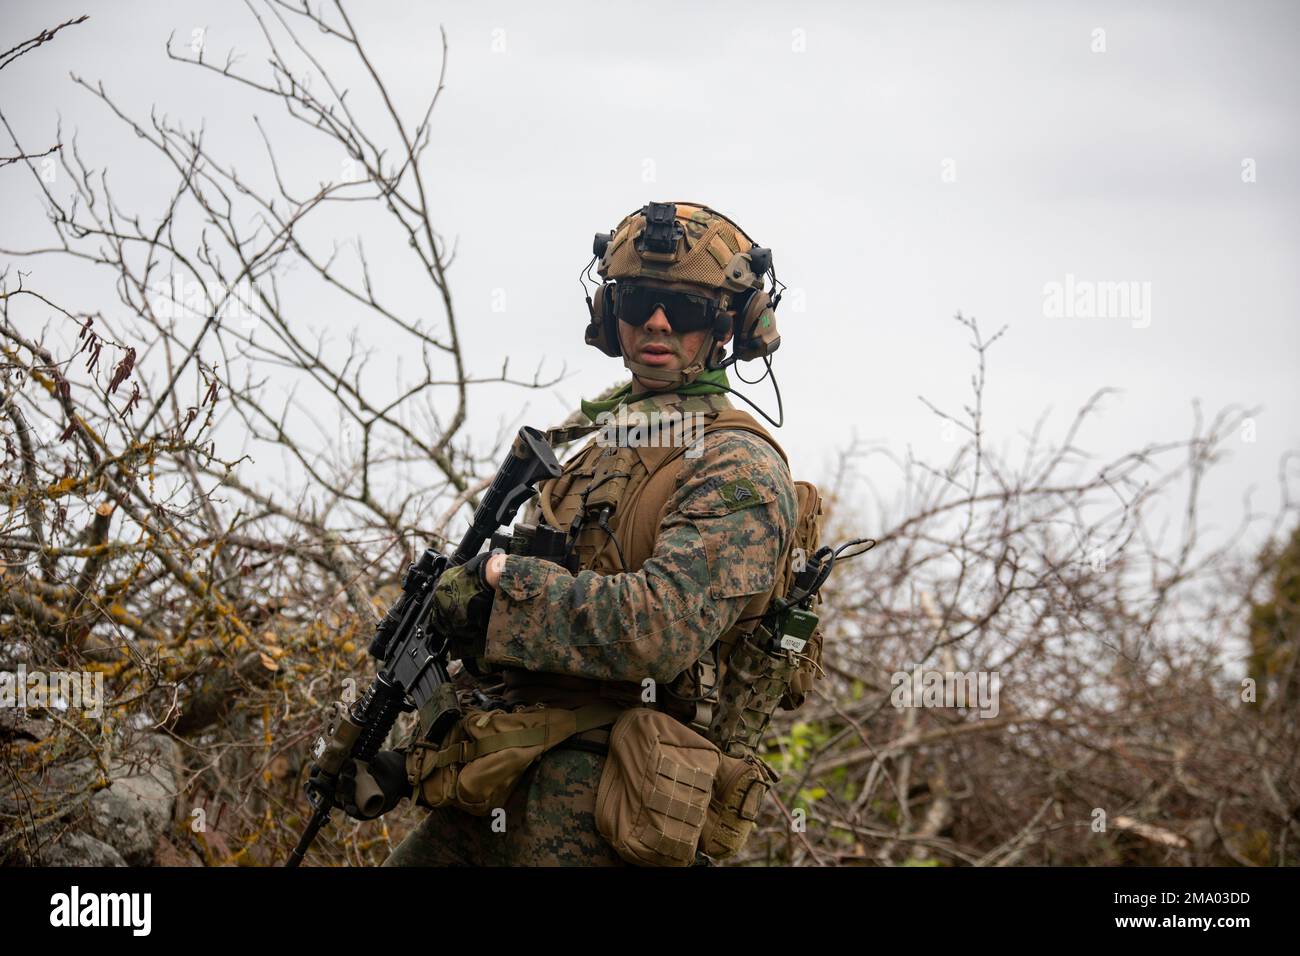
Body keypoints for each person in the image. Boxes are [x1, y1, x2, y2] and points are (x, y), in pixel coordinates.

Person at [350, 201, 801, 866]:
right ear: (608, 314)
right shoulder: (588, 449)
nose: (656, 322)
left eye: (685, 310)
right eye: (641, 299)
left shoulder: (741, 467)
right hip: (505, 780)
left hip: (616, 809)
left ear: (729, 325)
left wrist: (500, 585)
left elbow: (658, 631)